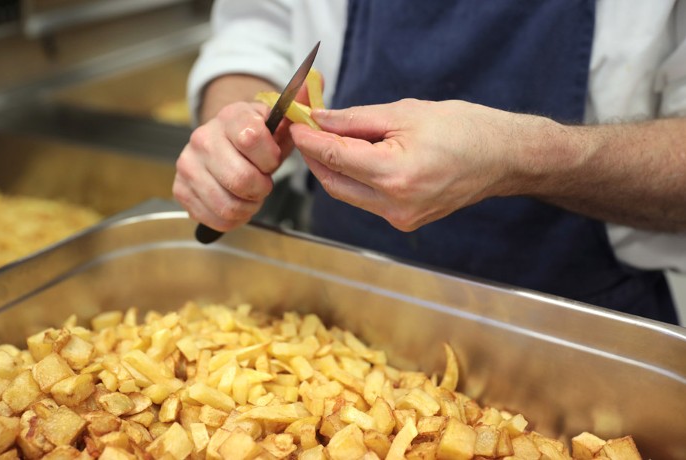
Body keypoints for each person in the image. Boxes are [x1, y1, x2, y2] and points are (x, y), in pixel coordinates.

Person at [174, 0, 686, 325]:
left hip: (590, 329)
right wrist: (236, 127)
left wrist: (526, 154)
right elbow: (257, 30)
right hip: (339, 305)